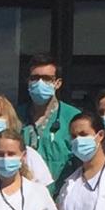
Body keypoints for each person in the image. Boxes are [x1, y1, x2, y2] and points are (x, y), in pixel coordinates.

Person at [22, 53, 82, 181]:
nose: (40, 83)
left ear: (57, 83)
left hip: (58, 196)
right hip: (22, 195)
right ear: (28, 81)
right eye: (35, 78)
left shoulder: (73, 117)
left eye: (46, 78)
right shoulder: (16, 115)